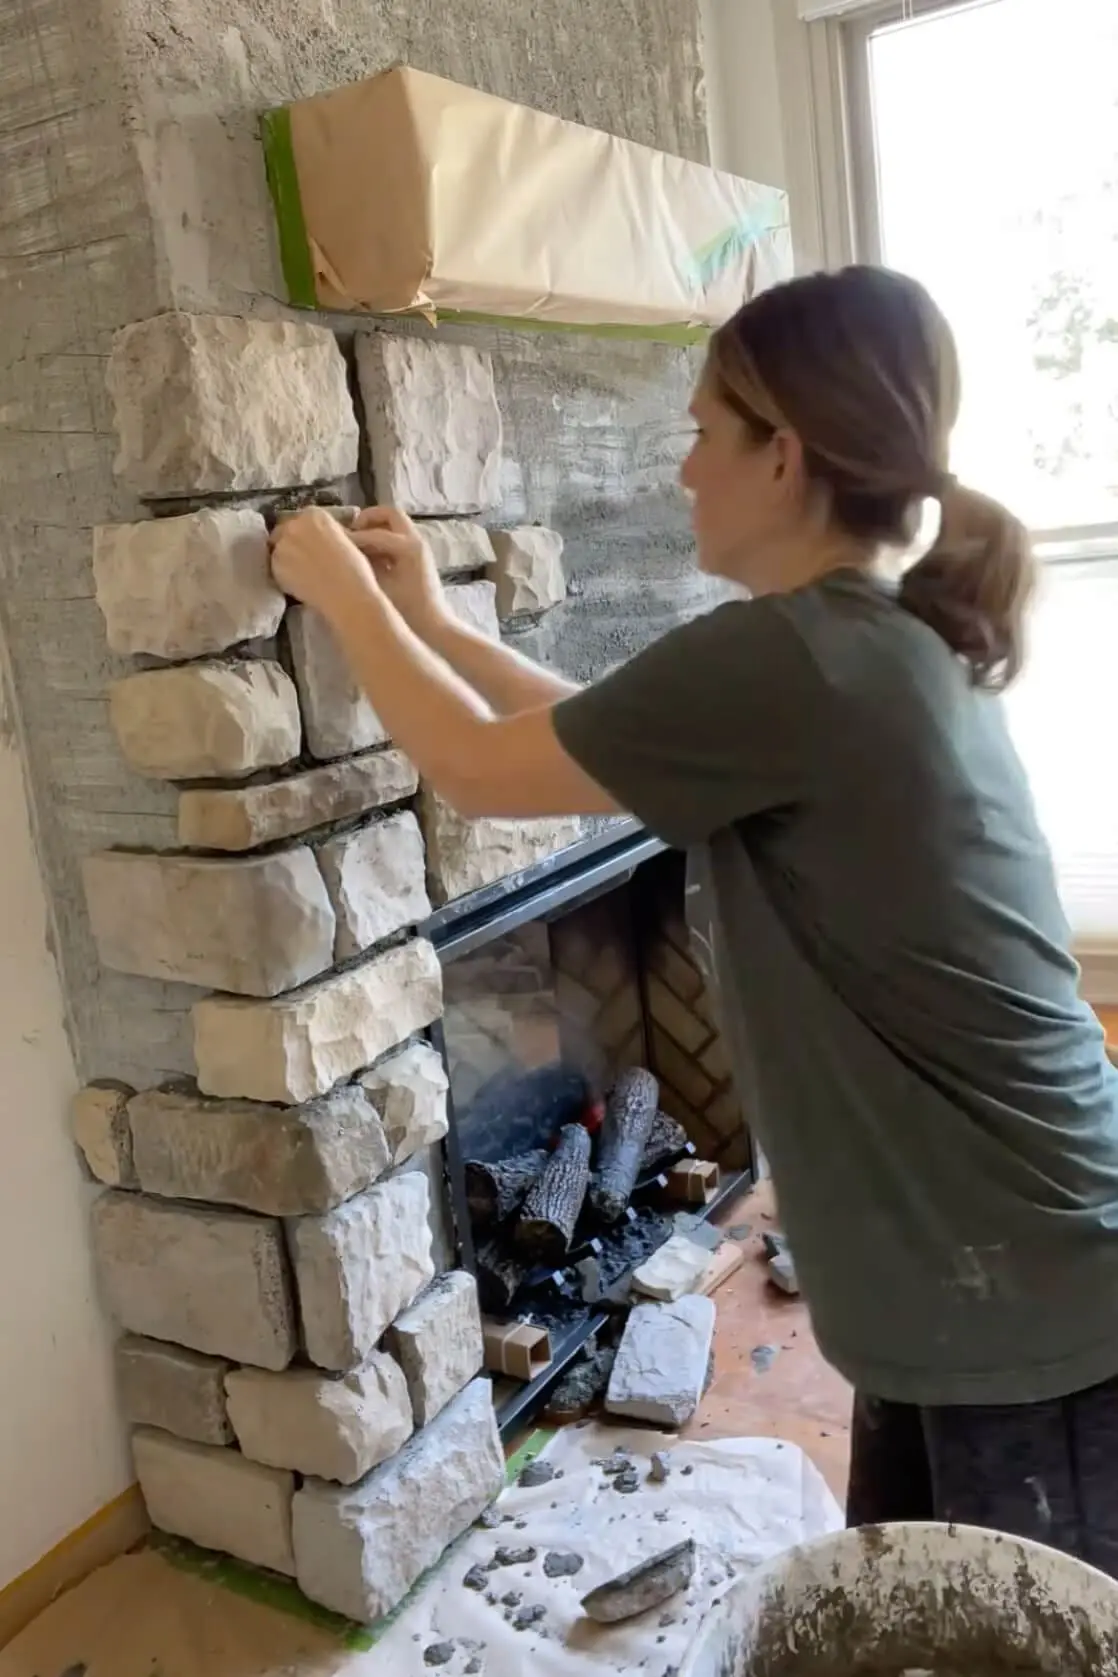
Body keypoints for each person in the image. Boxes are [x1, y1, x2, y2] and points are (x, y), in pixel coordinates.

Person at [272, 265, 1118, 1573]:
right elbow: (590, 730)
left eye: (700, 435)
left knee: (1015, 1631)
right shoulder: (860, 639)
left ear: (780, 457)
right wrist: (429, 619)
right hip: (974, 1258)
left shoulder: (796, 656)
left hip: (1013, 1288)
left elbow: (480, 768)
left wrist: (345, 599)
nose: (681, 473)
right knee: (911, 1616)